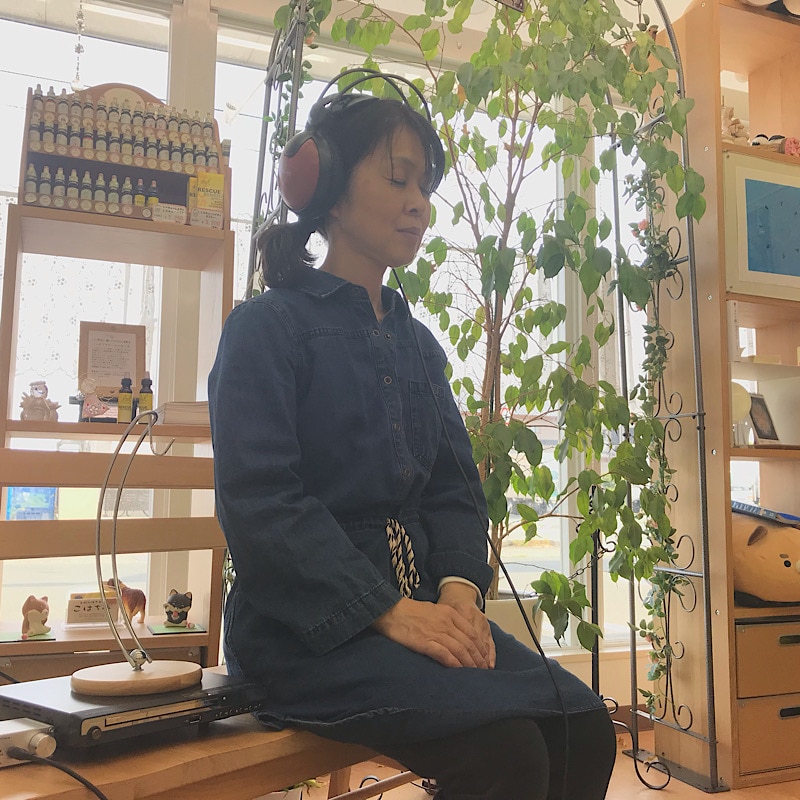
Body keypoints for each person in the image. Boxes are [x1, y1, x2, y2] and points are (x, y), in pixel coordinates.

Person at [208, 83, 616, 800]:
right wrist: (388, 611)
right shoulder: (264, 329)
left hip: (422, 612)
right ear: (330, 190)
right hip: (301, 633)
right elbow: (262, 506)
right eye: (398, 180)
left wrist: (457, 593)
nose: (419, 203)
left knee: (583, 726)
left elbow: (454, 489)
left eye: (424, 185)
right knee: (507, 753)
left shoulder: (419, 345)